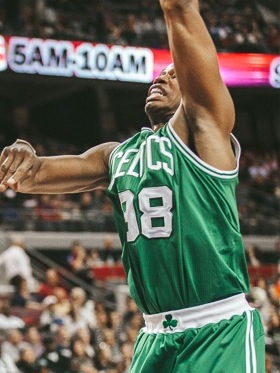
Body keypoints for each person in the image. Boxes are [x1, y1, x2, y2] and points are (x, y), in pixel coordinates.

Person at [0, 0, 265, 371]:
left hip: (217, 326)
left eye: (174, 75)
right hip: (155, 333)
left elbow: (181, 11)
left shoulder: (205, 133)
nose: (161, 77)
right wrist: (25, 152)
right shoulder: (117, 155)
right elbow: (34, 174)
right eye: (159, 74)